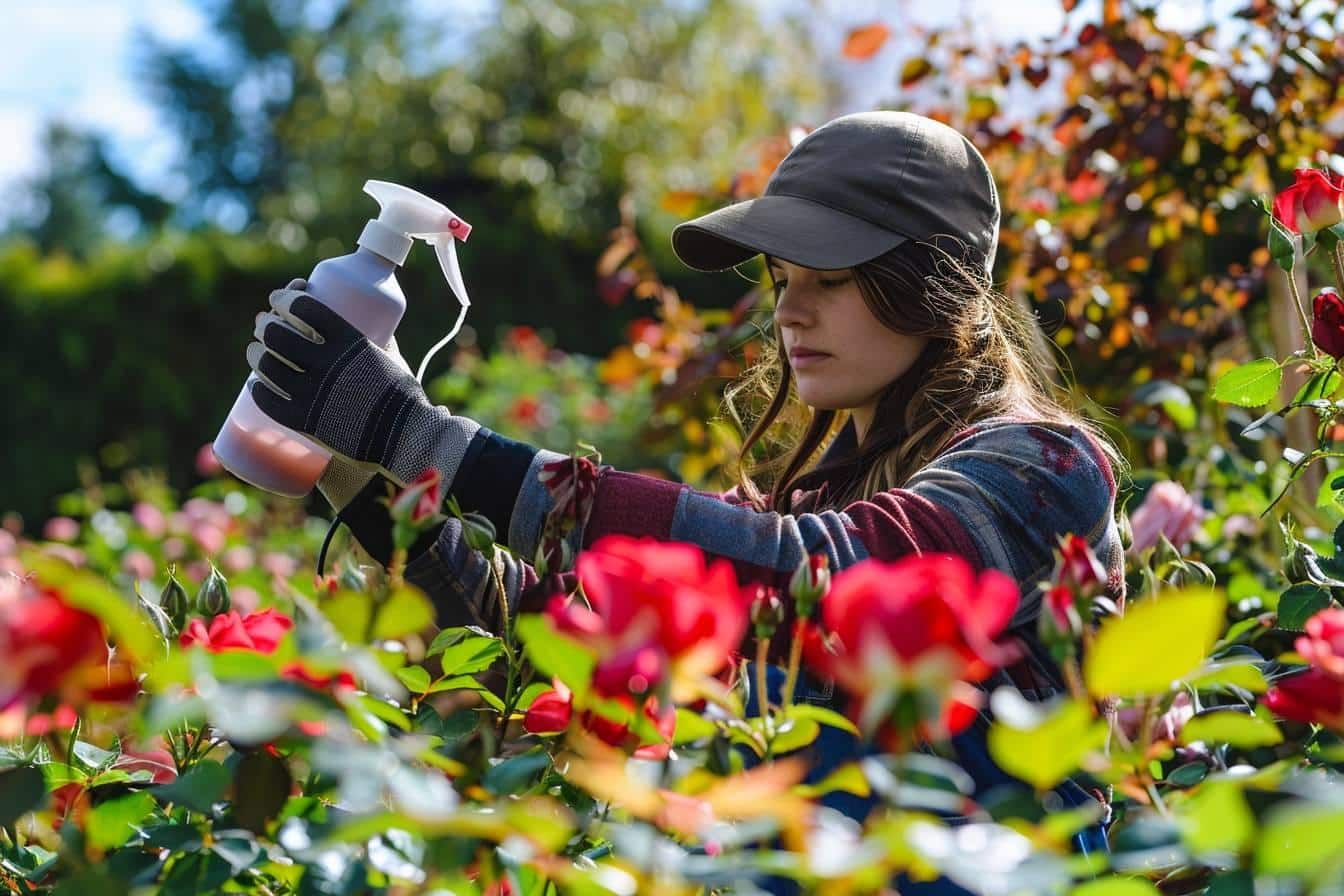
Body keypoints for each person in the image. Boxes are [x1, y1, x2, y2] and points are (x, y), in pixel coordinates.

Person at [245, 111, 1126, 889]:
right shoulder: (807, 496)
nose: (791, 313)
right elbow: (552, 626)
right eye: (784, 280)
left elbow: (825, 580)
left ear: (936, 285)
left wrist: (416, 433)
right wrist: (356, 474)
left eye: (830, 277)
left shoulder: (1042, 466)